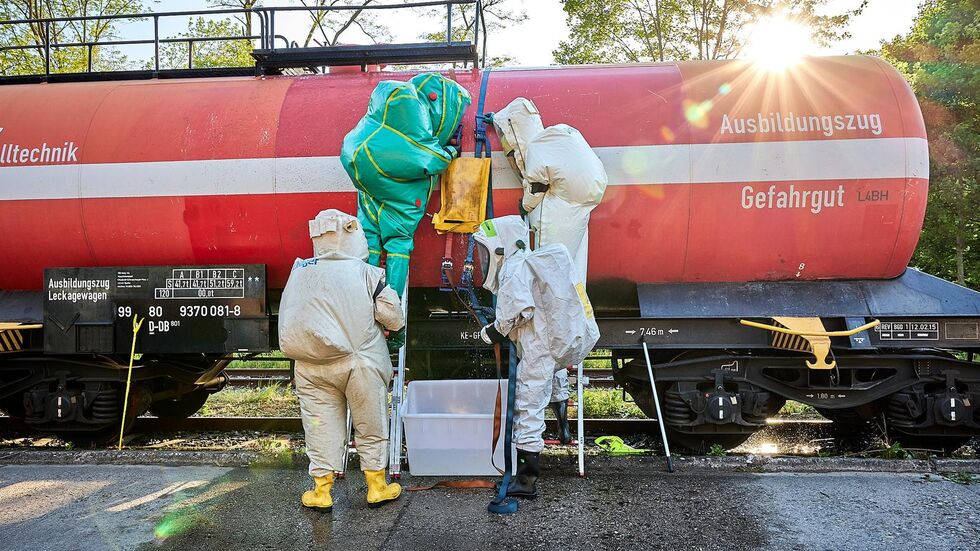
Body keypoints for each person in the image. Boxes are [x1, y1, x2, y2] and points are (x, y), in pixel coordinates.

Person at [278, 209, 405, 510]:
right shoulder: (367, 273)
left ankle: (321, 491)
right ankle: (376, 486)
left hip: (310, 366)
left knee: (319, 424)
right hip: (359, 363)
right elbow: (393, 318)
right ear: (353, 236)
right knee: (371, 422)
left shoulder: (299, 270)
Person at [475, 216, 600, 498]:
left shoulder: (514, 270)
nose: (482, 261)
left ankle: (526, 479)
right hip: (554, 343)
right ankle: (564, 430)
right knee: (551, 382)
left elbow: (513, 316)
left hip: (539, 347)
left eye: (485, 252)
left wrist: (490, 334)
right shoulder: (532, 262)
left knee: (526, 403)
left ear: (500, 248)